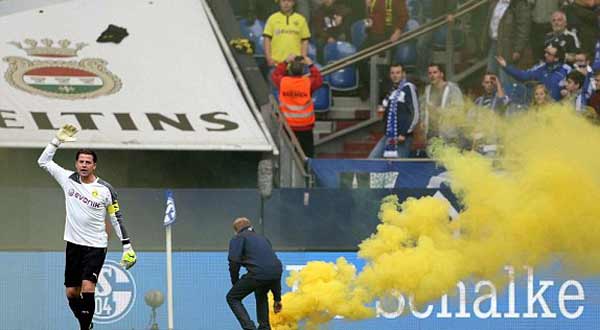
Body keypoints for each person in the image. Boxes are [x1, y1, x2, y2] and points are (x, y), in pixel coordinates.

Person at [37, 124, 136, 330]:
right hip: (73, 244)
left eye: (88, 162)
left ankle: (84, 329)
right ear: (76, 164)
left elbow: (116, 217)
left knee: (88, 287)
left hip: (95, 246)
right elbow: (43, 161)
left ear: (94, 166)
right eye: (80, 161)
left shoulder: (105, 189)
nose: (83, 165)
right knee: (72, 293)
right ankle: (86, 323)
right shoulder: (67, 179)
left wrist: (127, 245)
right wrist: (57, 141)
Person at [226, 217, 283, 330]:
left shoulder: (238, 238)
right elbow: (273, 268)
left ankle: (249, 327)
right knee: (261, 293)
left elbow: (234, 262)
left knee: (232, 297)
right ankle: (265, 327)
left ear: (236, 230)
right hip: (276, 272)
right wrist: (277, 299)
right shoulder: (263, 238)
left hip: (258, 273)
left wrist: (235, 283)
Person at [271, 54, 323, 158]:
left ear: (289, 71)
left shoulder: (283, 82)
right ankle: (309, 171)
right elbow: (319, 79)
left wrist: (285, 61)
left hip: (288, 125)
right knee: (307, 154)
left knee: (286, 154)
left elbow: (275, 75)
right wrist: (311, 65)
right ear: (303, 72)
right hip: (305, 126)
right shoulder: (308, 82)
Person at [368, 63, 419, 158]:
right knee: (372, 159)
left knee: (399, 166)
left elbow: (415, 113)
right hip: (389, 135)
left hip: (402, 137)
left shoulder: (408, 87)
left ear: (403, 74)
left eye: (398, 73)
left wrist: (404, 133)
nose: (395, 75)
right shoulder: (391, 91)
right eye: (392, 73)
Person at [496, 43, 572, 100]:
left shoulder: (566, 70)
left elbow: (575, 89)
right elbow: (524, 76)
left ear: (556, 58)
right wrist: (506, 66)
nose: (545, 55)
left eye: (549, 54)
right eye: (546, 52)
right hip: (543, 107)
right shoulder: (542, 68)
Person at [420, 63, 464, 142]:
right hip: (430, 136)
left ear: (441, 74)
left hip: (448, 137)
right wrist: (422, 122)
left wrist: (438, 110)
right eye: (430, 73)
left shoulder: (452, 89)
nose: (432, 75)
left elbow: (459, 111)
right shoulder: (427, 90)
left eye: (435, 72)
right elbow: (422, 109)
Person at [263, 0, 311, 67]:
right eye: (283, 1)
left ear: (293, 3)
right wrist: (268, 58)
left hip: (295, 66)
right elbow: (267, 39)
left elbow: (305, 41)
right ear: (279, 3)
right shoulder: (272, 18)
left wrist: (302, 58)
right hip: (276, 64)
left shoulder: (301, 19)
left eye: (289, 1)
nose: (286, 3)